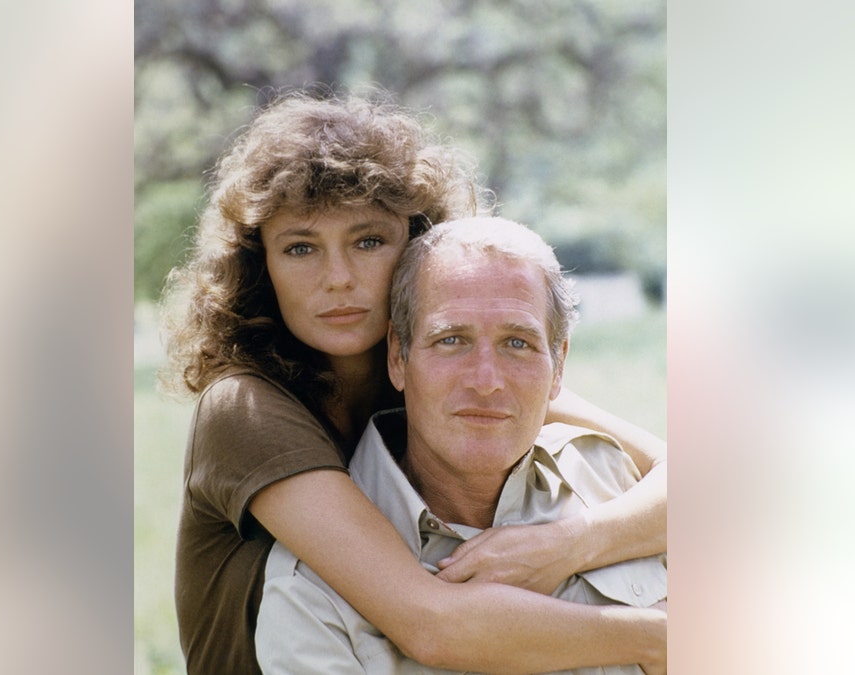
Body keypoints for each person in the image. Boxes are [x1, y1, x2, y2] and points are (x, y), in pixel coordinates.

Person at [159, 89, 668, 675]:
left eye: (368, 241)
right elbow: (432, 622)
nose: (339, 279)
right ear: (260, 265)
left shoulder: (454, 371)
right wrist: (658, 639)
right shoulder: (244, 409)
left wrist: (568, 544)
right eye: (301, 248)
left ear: (415, 246)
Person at [255, 217, 667, 674]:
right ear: (397, 355)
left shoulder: (611, 476)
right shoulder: (314, 595)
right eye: (451, 340)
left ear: (559, 364)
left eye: (518, 342)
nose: (486, 382)